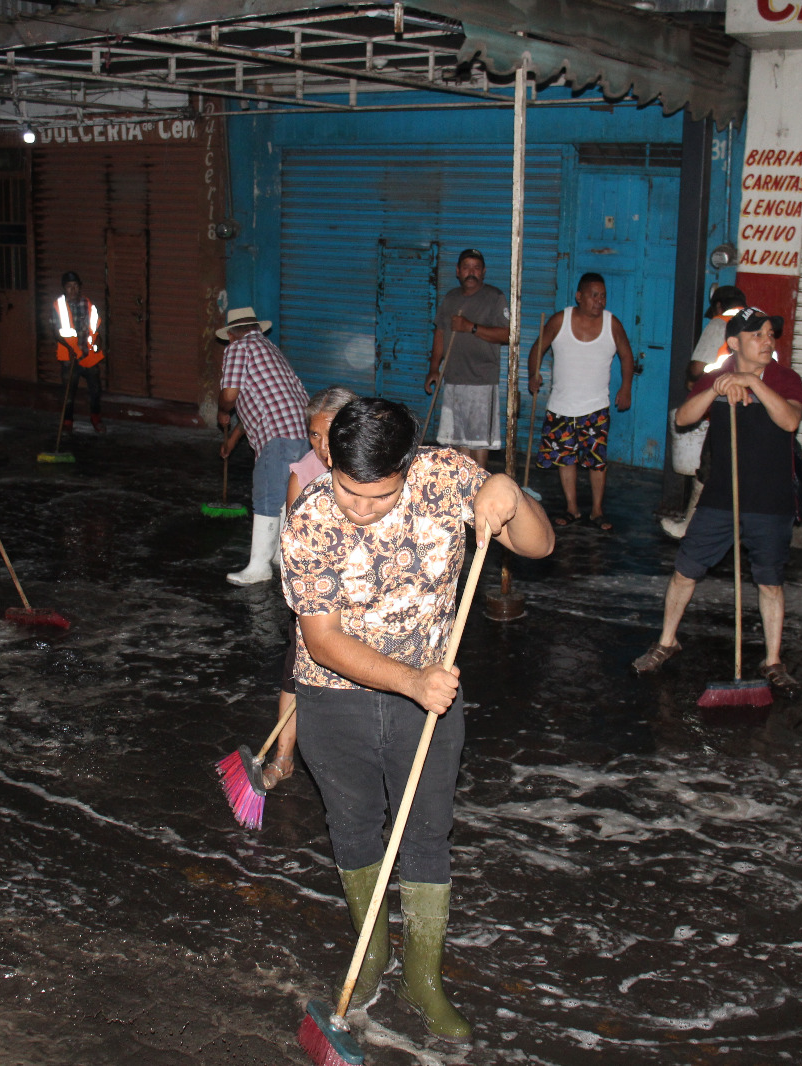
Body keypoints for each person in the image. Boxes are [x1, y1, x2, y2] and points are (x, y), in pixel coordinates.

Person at [281, 398, 553, 1040]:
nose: (360, 508)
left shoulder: (446, 477)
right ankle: (371, 955)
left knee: (427, 834)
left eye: (378, 496)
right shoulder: (310, 520)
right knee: (352, 826)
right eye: (349, 490)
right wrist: (411, 681)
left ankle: (424, 980)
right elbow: (322, 641)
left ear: (410, 464)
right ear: (330, 460)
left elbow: (539, 546)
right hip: (335, 697)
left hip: (429, 702)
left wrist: (509, 494)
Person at [631, 307, 802, 698]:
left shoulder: (785, 378)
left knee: (770, 582)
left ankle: (773, 660)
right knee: (685, 570)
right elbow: (683, 419)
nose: (767, 342)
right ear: (734, 343)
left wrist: (753, 384)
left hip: (772, 500)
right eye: (757, 335)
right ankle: (667, 641)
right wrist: (716, 388)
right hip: (721, 499)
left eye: (770, 335)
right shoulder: (716, 378)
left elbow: (790, 421)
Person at [261, 385, 359, 792]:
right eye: (314, 435)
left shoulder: (373, 466)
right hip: (317, 598)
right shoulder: (303, 473)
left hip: (368, 597)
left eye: (329, 433)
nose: (321, 446)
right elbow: (293, 547)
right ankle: (283, 758)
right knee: (296, 676)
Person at [526, 272, 634, 531]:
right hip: (561, 406)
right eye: (594, 295)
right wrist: (533, 374)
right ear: (579, 296)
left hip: (596, 407)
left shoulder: (612, 324)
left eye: (603, 296)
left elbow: (627, 356)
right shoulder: (560, 320)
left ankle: (597, 511)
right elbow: (537, 348)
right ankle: (572, 509)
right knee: (566, 459)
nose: (599, 300)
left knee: (597, 461)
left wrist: (626, 387)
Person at [216, 306, 309, 586]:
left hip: (278, 436)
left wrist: (222, 410)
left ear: (232, 334)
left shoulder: (237, 349)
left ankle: (259, 567)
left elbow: (230, 395)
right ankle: (281, 556)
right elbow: (259, 403)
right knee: (285, 495)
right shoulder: (268, 349)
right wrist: (232, 440)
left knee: (268, 496)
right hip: (304, 432)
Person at [662, 285, 749, 540]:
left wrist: (695, 382)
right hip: (755, 408)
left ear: (720, 306)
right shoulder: (758, 324)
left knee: (707, 469)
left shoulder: (720, 323)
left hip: (724, 405)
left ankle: (690, 526)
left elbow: (697, 369)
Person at [424, 249, 509, 470]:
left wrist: (470, 327)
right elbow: (440, 334)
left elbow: (507, 335)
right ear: (458, 271)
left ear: (483, 272)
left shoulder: (495, 297)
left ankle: (479, 485)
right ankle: (464, 486)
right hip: (453, 378)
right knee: (458, 440)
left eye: (476, 268)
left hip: (482, 381)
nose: (471, 272)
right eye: (466, 267)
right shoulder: (450, 298)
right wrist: (434, 368)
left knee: (479, 441)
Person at [53, 271, 105, 434]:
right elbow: (56, 332)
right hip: (70, 357)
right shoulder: (58, 306)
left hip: (88, 355)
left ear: (80, 287)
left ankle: (96, 419)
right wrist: (71, 349)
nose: (73, 290)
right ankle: (68, 422)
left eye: (76, 286)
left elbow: (96, 328)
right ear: (64, 289)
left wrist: (98, 340)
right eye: (69, 287)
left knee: (96, 389)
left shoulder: (89, 305)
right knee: (69, 391)